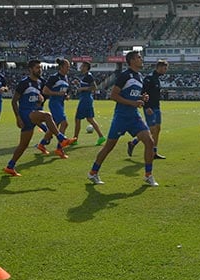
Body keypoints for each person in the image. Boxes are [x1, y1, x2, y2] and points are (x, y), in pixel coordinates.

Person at [87, 51, 159, 186]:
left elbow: (132, 96)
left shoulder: (139, 77)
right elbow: (113, 95)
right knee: (108, 147)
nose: (141, 59)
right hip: (121, 117)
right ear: (132, 60)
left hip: (134, 117)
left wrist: (141, 98)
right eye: (139, 57)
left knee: (149, 141)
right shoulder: (124, 76)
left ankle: (148, 175)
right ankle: (93, 172)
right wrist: (133, 103)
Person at [3, 60, 77, 176]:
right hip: (25, 113)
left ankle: (10, 166)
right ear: (30, 69)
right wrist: (18, 117)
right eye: (37, 68)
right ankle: (61, 139)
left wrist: (40, 100)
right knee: (48, 115)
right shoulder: (24, 83)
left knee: (23, 145)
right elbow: (14, 101)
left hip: (33, 113)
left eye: (41, 67)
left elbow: (42, 96)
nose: (40, 70)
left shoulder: (40, 82)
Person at [128, 59, 168, 159]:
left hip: (157, 107)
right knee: (151, 129)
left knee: (157, 129)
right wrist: (147, 107)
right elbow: (143, 93)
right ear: (158, 67)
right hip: (150, 108)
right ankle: (134, 143)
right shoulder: (149, 78)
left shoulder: (157, 79)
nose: (165, 70)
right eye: (164, 68)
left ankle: (154, 152)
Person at [41, 58, 73, 159]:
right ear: (61, 67)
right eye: (67, 66)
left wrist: (65, 95)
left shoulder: (65, 77)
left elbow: (63, 91)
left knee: (54, 125)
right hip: (54, 103)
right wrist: (57, 93)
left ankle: (41, 144)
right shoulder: (54, 77)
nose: (69, 68)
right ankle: (60, 148)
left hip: (61, 103)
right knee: (64, 123)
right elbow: (45, 91)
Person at [72, 61, 107, 146]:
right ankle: (101, 136)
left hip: (85, 99)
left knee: (78, 119)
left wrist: (82, 88)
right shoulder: (85, 77)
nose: (81, 67)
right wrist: (79, 84)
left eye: (82, 66)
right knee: (89, 119)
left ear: (86, 67)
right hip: (85, 99)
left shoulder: (89, 76)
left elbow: (94, 87)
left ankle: (75, 139)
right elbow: (85, 86)